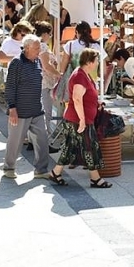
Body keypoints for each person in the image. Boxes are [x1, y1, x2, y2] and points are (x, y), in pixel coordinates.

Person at [46, 49, 112, 189]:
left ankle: (55, 173)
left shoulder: (84, 74)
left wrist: (96, 103)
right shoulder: (80, 76)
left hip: (76, 119)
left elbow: (86, 96)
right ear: (89, 62)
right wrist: (82, 120)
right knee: (90, 147)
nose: (97, 63)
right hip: (78, 120)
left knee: (69, 147)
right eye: (96, 61)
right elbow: (76, 98)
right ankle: (95, 179)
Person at [2, 34, 51, 180]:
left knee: (42, 139)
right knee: (15, 142)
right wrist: (12, 109)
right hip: (20, 110)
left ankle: (41, 170)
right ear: (27, 48)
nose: (39, 51)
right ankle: (9, 167)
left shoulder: (37, 61)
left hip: (36, 109)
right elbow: (10, 86)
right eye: (36, 48)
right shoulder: (16, 63)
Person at [34, 22, 61, 127]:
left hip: (42, 81)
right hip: (46, 81)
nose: (50, 37)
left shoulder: (36, 45)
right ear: (45, 34)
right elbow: (46, 66)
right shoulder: (43, 46)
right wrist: (58, 74)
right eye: (50, 34)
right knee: (46, 111)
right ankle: (46, 136)